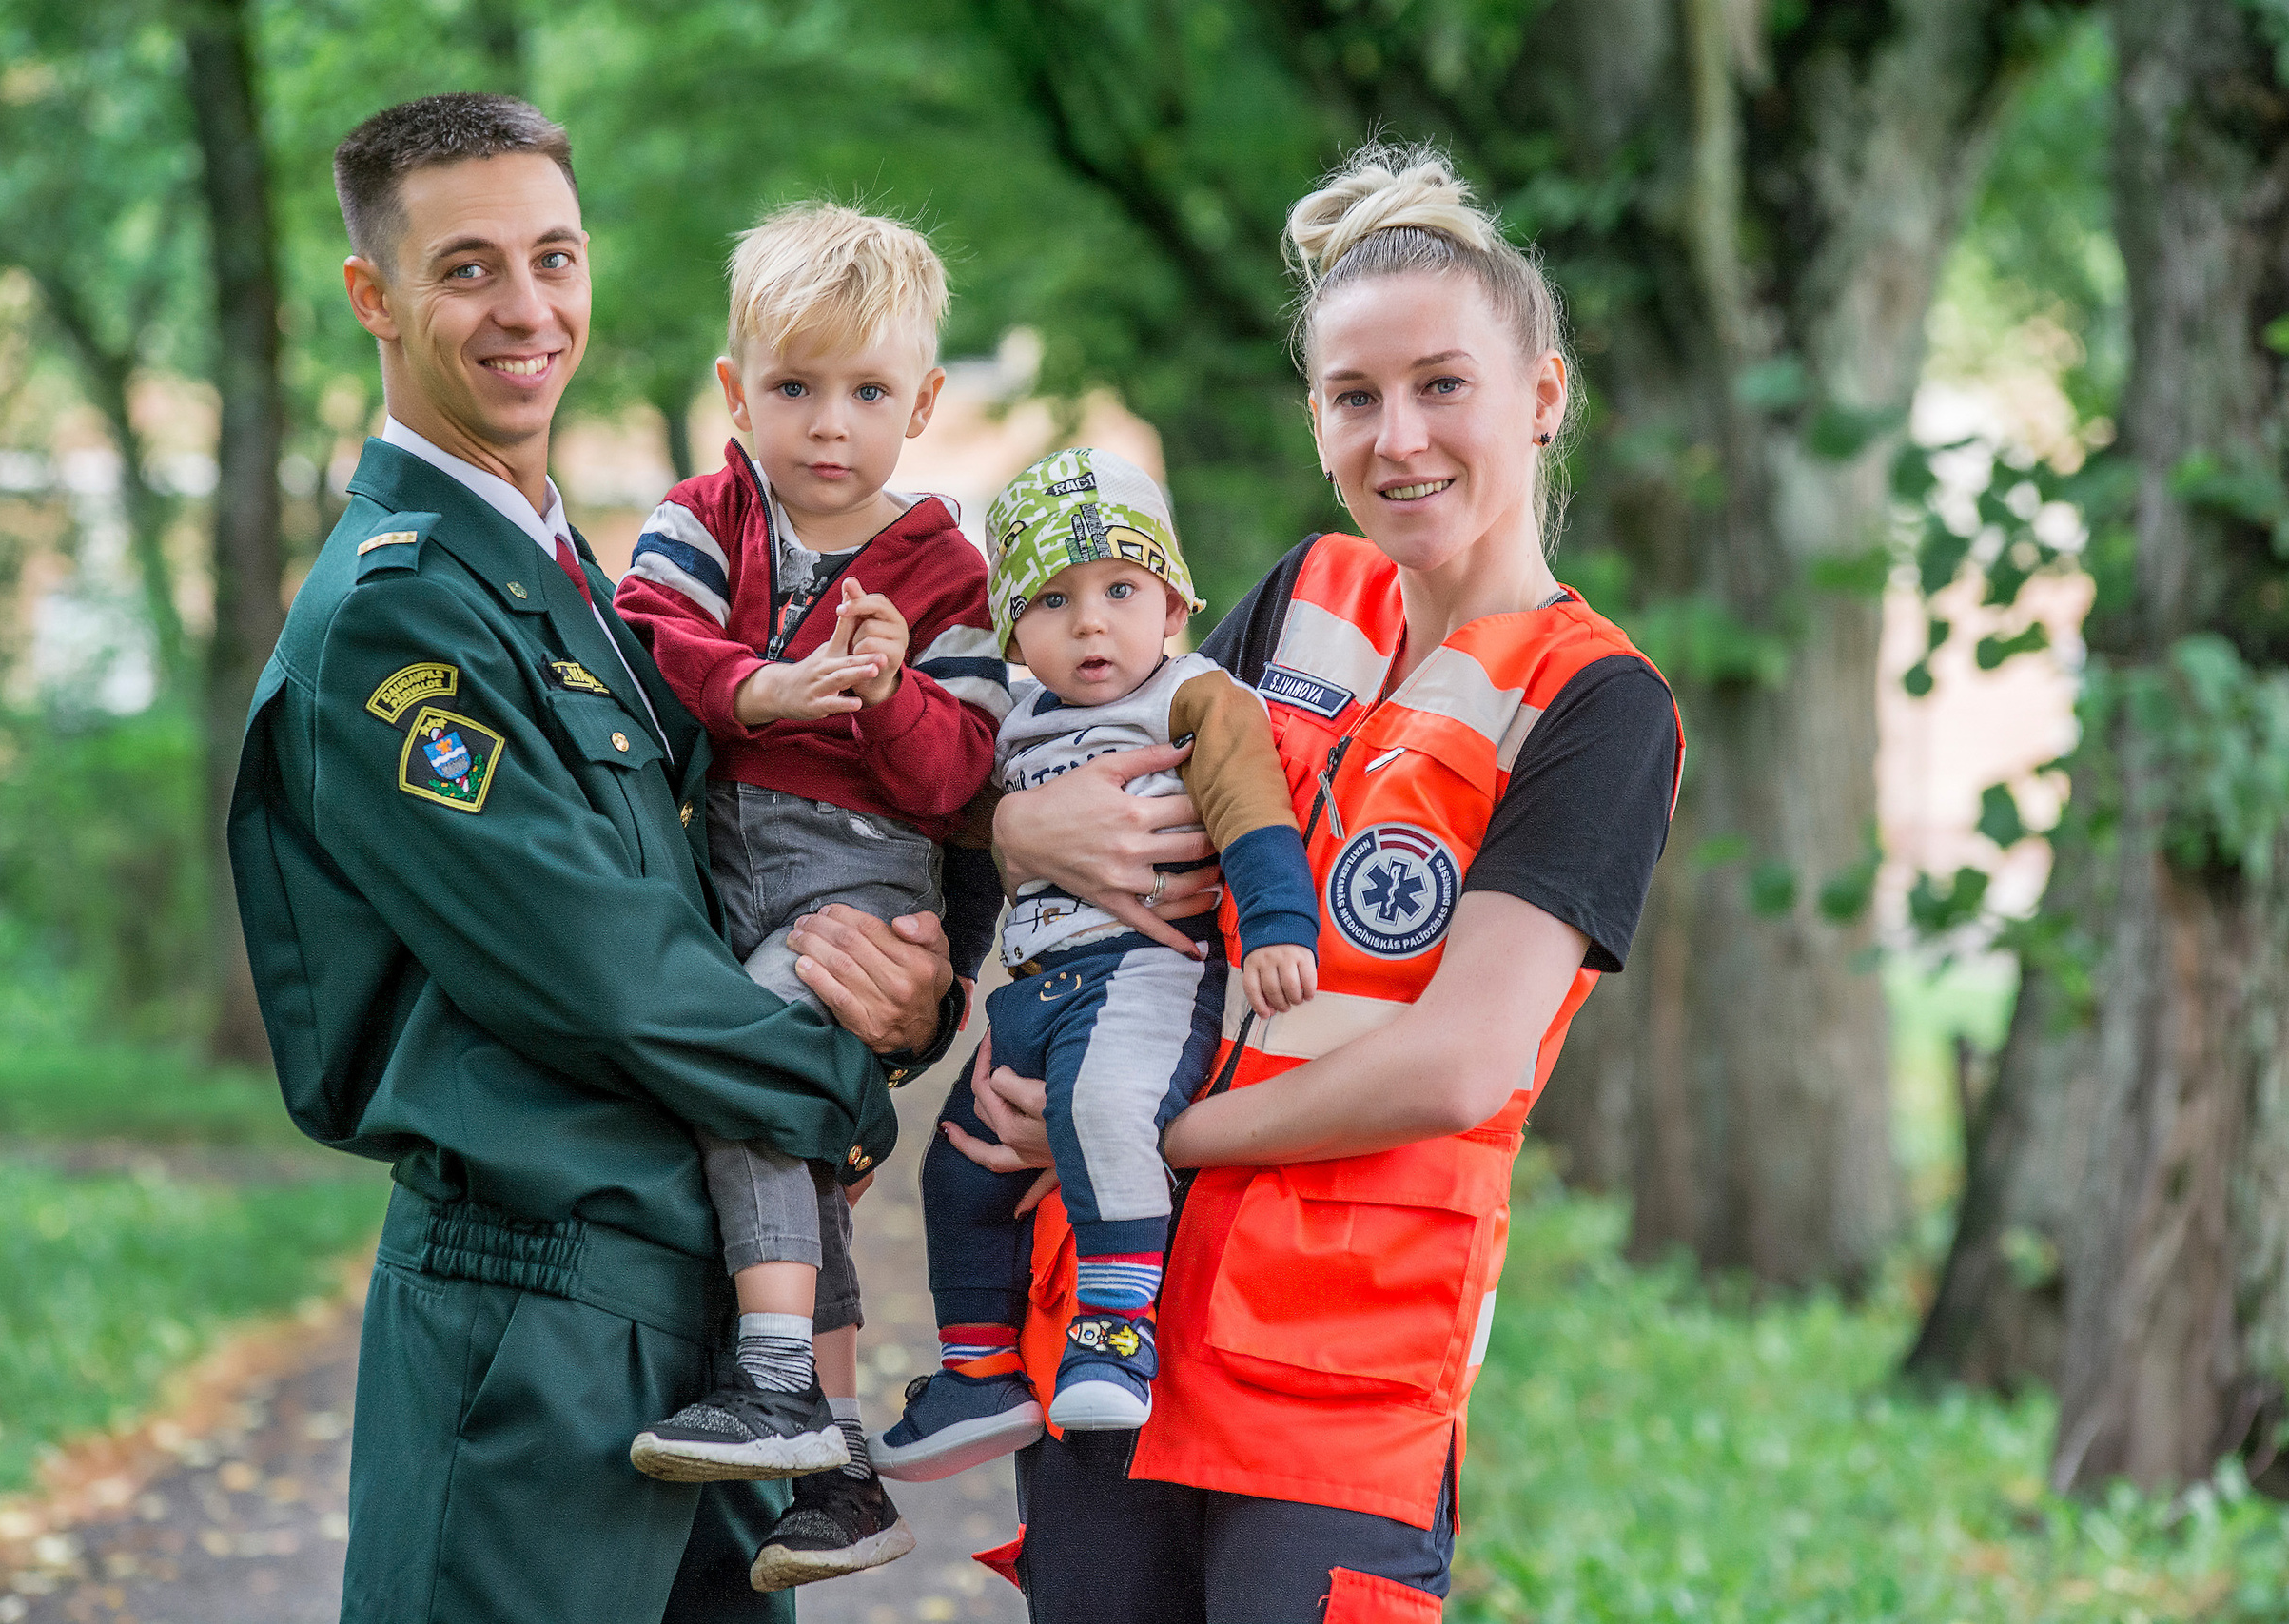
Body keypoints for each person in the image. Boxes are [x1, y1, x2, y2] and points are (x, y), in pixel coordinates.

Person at [225, 93, 956, 1624]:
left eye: (553, 257)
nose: (527, 308)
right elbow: (608, 972)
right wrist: (834, 1094)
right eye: (469, 268)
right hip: (533, 1313)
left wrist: (906, 994)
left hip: (698, 1316)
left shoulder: (572, 574)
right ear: (375, 296)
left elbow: (758, 865)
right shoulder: (398, 615)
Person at [941, 142, 1685, 1622]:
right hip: (1118, 1320)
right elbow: (1084, 778)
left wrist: (1154, 1124)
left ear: (1542, 396)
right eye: (1356, 396)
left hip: (1337, 1380)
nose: (1398, 435)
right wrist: (1018, 840)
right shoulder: (1303, 597)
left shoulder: (1599, 704)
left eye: (1442, 384)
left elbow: (1463, 1057)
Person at [610, 203, 1008, 1589]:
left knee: (755, 1066)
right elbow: (644, 641)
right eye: (792, 388)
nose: (828, 425)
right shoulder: (709, 516)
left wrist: (891, 692)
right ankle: (839, 1474)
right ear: (736, 389)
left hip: (854, 876)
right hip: (730, 868)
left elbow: (963, 778)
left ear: (925, 402)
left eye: (867, 393)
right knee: (791, 1144)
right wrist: (753, 684)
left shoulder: (947, 571)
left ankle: (775, 1374)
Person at [871, 446, 1318, 1477]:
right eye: (1053, 601)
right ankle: (976, 1374)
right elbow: (962, 811)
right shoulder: (1018, 724)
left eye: (1122, 589)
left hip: (1142, 971)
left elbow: (1250, 809)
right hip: (1032, 993)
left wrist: (1281, 924)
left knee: (1106, 1110)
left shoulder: (1194, 699)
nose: (1090, 623)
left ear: (1170, 602)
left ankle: (1117, 1331)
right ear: (1014, 629)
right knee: (955, 1161)